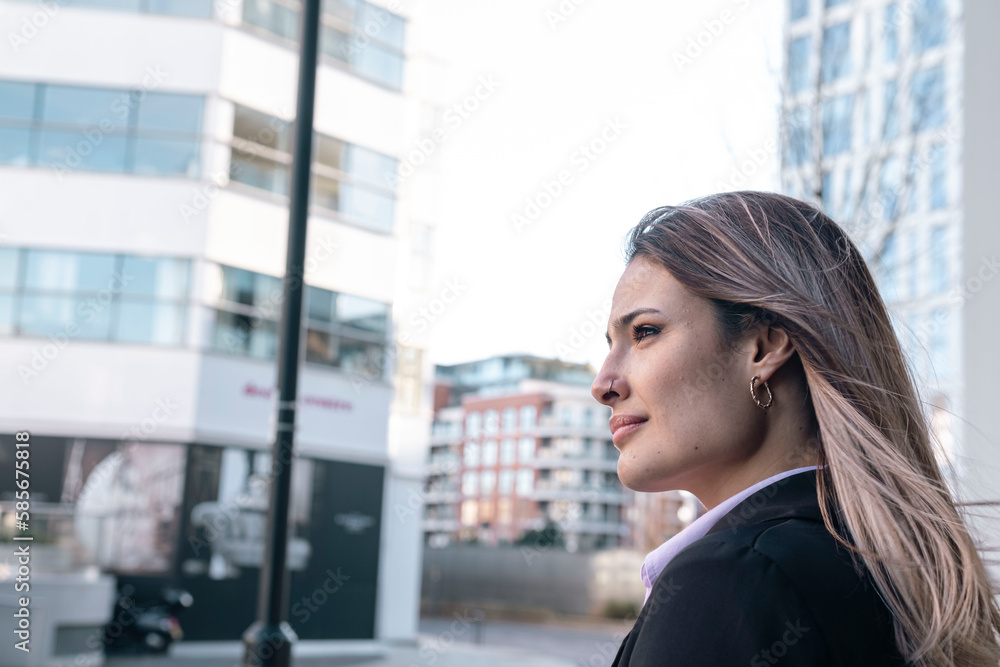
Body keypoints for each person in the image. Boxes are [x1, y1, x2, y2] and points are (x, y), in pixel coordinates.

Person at [591, 191, 1000, 666]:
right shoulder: (883, 574)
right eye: (610, 344)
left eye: (644, 332)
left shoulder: (733, 580)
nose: (604, 384)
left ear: (764, 348)